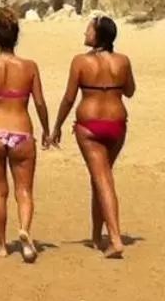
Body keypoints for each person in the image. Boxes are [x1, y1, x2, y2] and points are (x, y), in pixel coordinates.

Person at [49, 15, 135, 258]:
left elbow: (69, 98)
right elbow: (129, 91)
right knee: (100, 177)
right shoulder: (123, 61)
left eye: (88, 31)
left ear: (98, 35)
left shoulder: (80, 62)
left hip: (90, 125)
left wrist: (56, 127)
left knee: (103, 179)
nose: (85, 34)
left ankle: (115, 239)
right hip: (117, 123)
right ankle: (97, 236)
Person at [0, 7, 49, 262]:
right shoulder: (30, 67)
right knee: (24, 191)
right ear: (16, 36)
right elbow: (39, 102)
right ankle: (24, 232)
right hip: (22, 133)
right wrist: (47, 130)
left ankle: (2, 246)